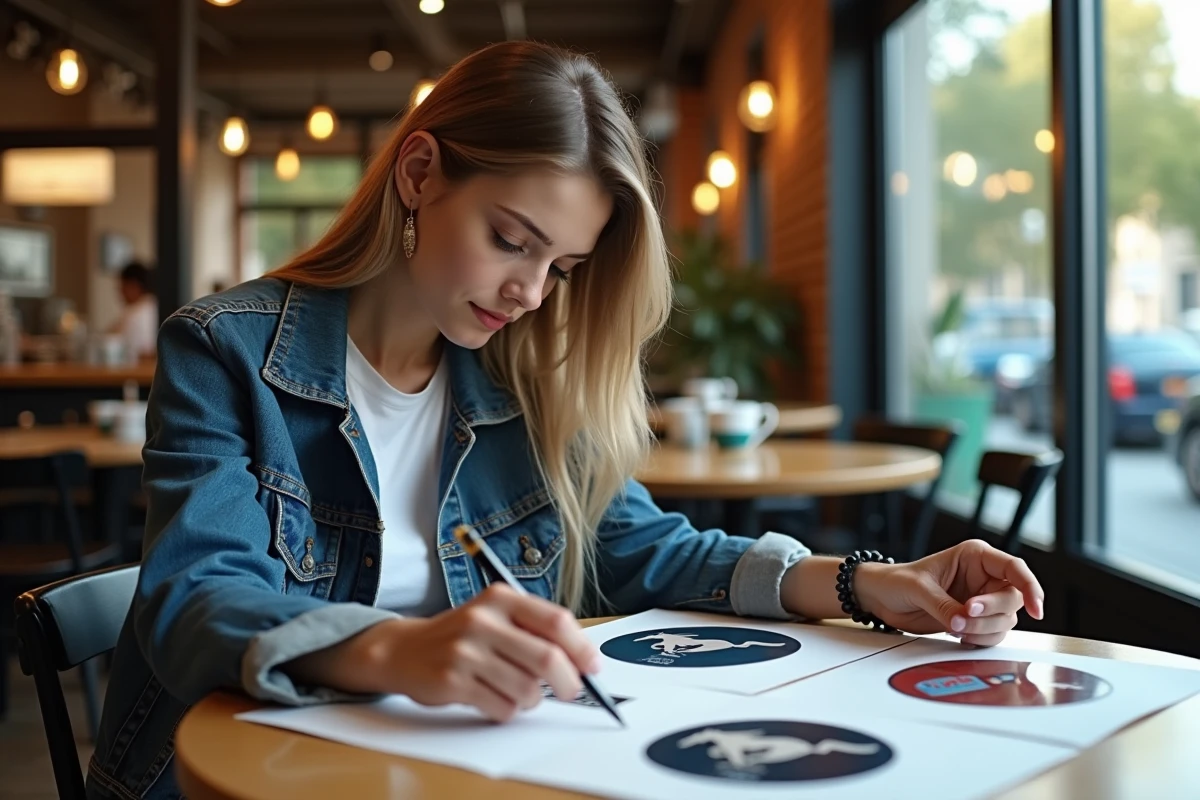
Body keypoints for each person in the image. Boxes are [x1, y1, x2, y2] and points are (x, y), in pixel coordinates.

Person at [87, 41, 1044, 800]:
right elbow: (195, 598)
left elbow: (643, 548)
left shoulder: (524, 373)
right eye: (512, 239)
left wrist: (866, 584)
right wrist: (399, 648)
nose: (530, 292)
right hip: (248, 780)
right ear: (419, 173)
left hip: (450, 772)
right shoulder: (225, 351)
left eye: (562, 268)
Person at [106, 260, 158, 358]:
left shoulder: (134, 315)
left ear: (133, 285)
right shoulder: (154, 307)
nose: (120, 293)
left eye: (122, 286)